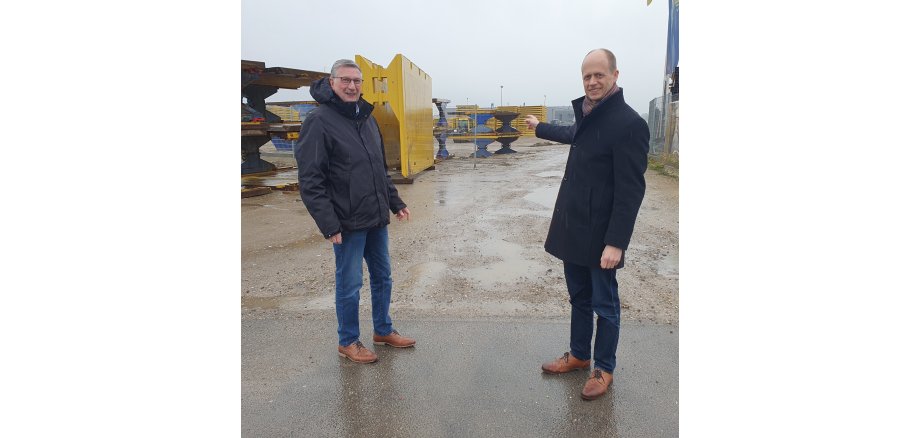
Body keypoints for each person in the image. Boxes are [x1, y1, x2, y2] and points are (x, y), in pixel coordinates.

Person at [524, 49, 649, 400]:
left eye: (599, 75)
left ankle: (603, 367)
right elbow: (571, 133)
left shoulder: (629, 124)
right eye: (586, 77)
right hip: (574, 228)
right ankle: (579, 355)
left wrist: (617, 242)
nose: (592, 82)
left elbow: (630, 191)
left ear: (615, 75)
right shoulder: (590, 116)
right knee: (578, 298)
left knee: (605, 305)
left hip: (601, 237)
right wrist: (539, 128)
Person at [294, 59, 416, 364]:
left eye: (357, 81)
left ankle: (383, 330)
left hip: (375, 217)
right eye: (345, 80)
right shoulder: (319, 121)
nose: (352, 86)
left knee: (383, 277)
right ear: (332, 82)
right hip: (346, 223)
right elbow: (310, 180)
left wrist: (395, 202)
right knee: (350, 284)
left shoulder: (367, 117)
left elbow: (379, 169)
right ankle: (347, 341)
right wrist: (329, 224)